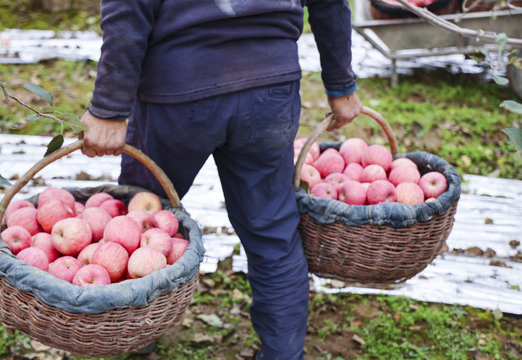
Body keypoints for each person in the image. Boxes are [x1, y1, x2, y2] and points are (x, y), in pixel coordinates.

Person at [79, 1, 362, 358]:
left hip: (178, 94)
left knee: (142, 222)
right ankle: (284, 354)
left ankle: (136, 335)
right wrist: (341, 85)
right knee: (273, 229)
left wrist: (108, 107)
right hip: (269, 90)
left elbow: (128, 8)